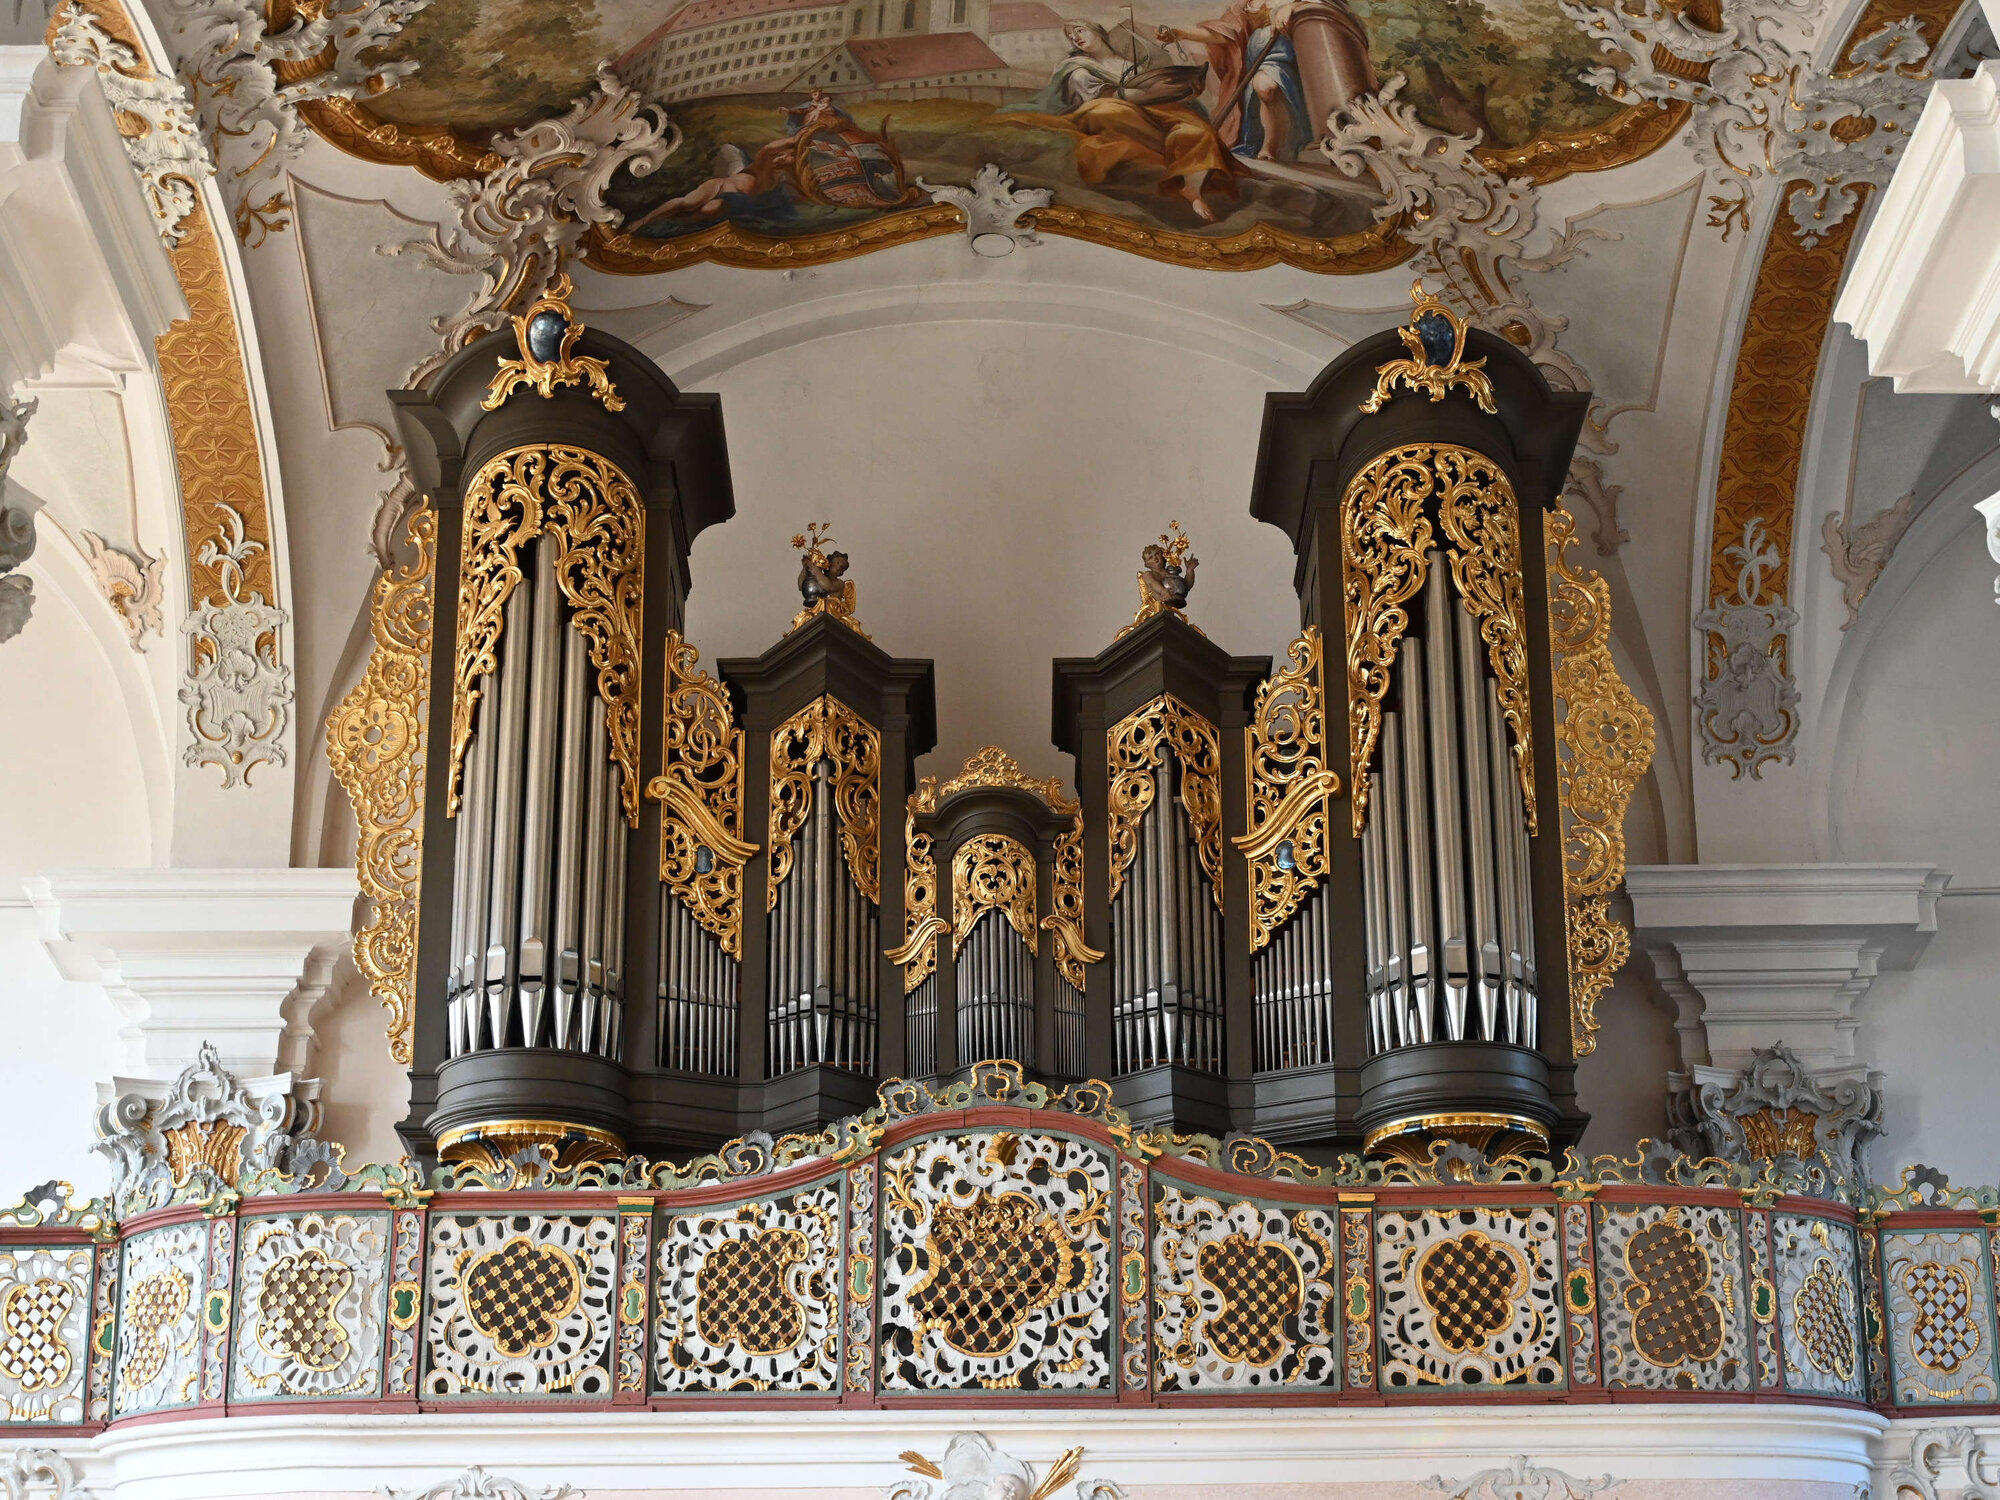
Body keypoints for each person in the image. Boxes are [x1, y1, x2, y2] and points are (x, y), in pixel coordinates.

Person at [999, 20, 1241, 224]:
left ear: (1097, 31)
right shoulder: (1075, 67)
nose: (1075, 38)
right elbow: (1100, 97)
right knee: (1105, 111)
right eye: (1070, 36)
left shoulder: (1132, 65)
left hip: (1150, 113)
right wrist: (1151, 93)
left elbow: (1155, 92)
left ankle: (1193, 190)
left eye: (1079, 31)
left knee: (1194, 128)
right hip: (1107, 111)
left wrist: (1178, 89)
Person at [1157, 0, 1341, 161]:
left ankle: (1271, 147)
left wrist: (1295, 5)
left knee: (1266, 86)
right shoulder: (1245, 4)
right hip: (1257, 59)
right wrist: (1179, 33)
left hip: (1290, 60)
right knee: (1260, 88)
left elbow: (1330, 8)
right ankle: (1267, 145)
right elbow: (1225, 33)